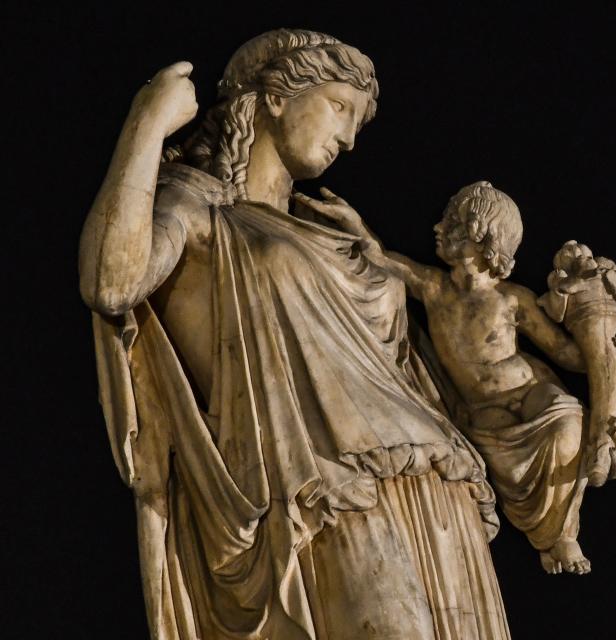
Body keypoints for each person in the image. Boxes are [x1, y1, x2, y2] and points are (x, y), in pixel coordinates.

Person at [79, 29, 511, 640]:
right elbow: (109, 284)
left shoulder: (332, 229)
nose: (349, 138)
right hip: (323, 495)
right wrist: (146, 125)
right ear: (278, 96)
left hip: (437, 488)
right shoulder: (198, 206)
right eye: (340, 107)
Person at [296, 180, 616, 575]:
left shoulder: (512, 298)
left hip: (531, 389)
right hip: (483, 410)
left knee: (567, 421)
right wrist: (354, 224)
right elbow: (380, 258)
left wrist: (603, 346)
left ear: (483, 237)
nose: (439, 228)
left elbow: (566, 353)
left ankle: (565, 533)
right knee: (508, 462)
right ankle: (549, 537)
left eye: (453, 224)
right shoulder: (434, 288)